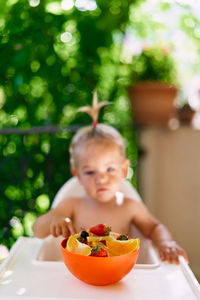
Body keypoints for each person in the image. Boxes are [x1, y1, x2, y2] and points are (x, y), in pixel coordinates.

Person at [33, 91, 188, 265]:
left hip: (119, 278)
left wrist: (165, 243)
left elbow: (154, 228)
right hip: (80, 278)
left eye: (110, 169)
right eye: (90, 172)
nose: (101, 179)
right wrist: (54, 220)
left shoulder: (130, 207)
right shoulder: (71, 205)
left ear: (123, 170)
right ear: (78, 175)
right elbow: (37, 231)